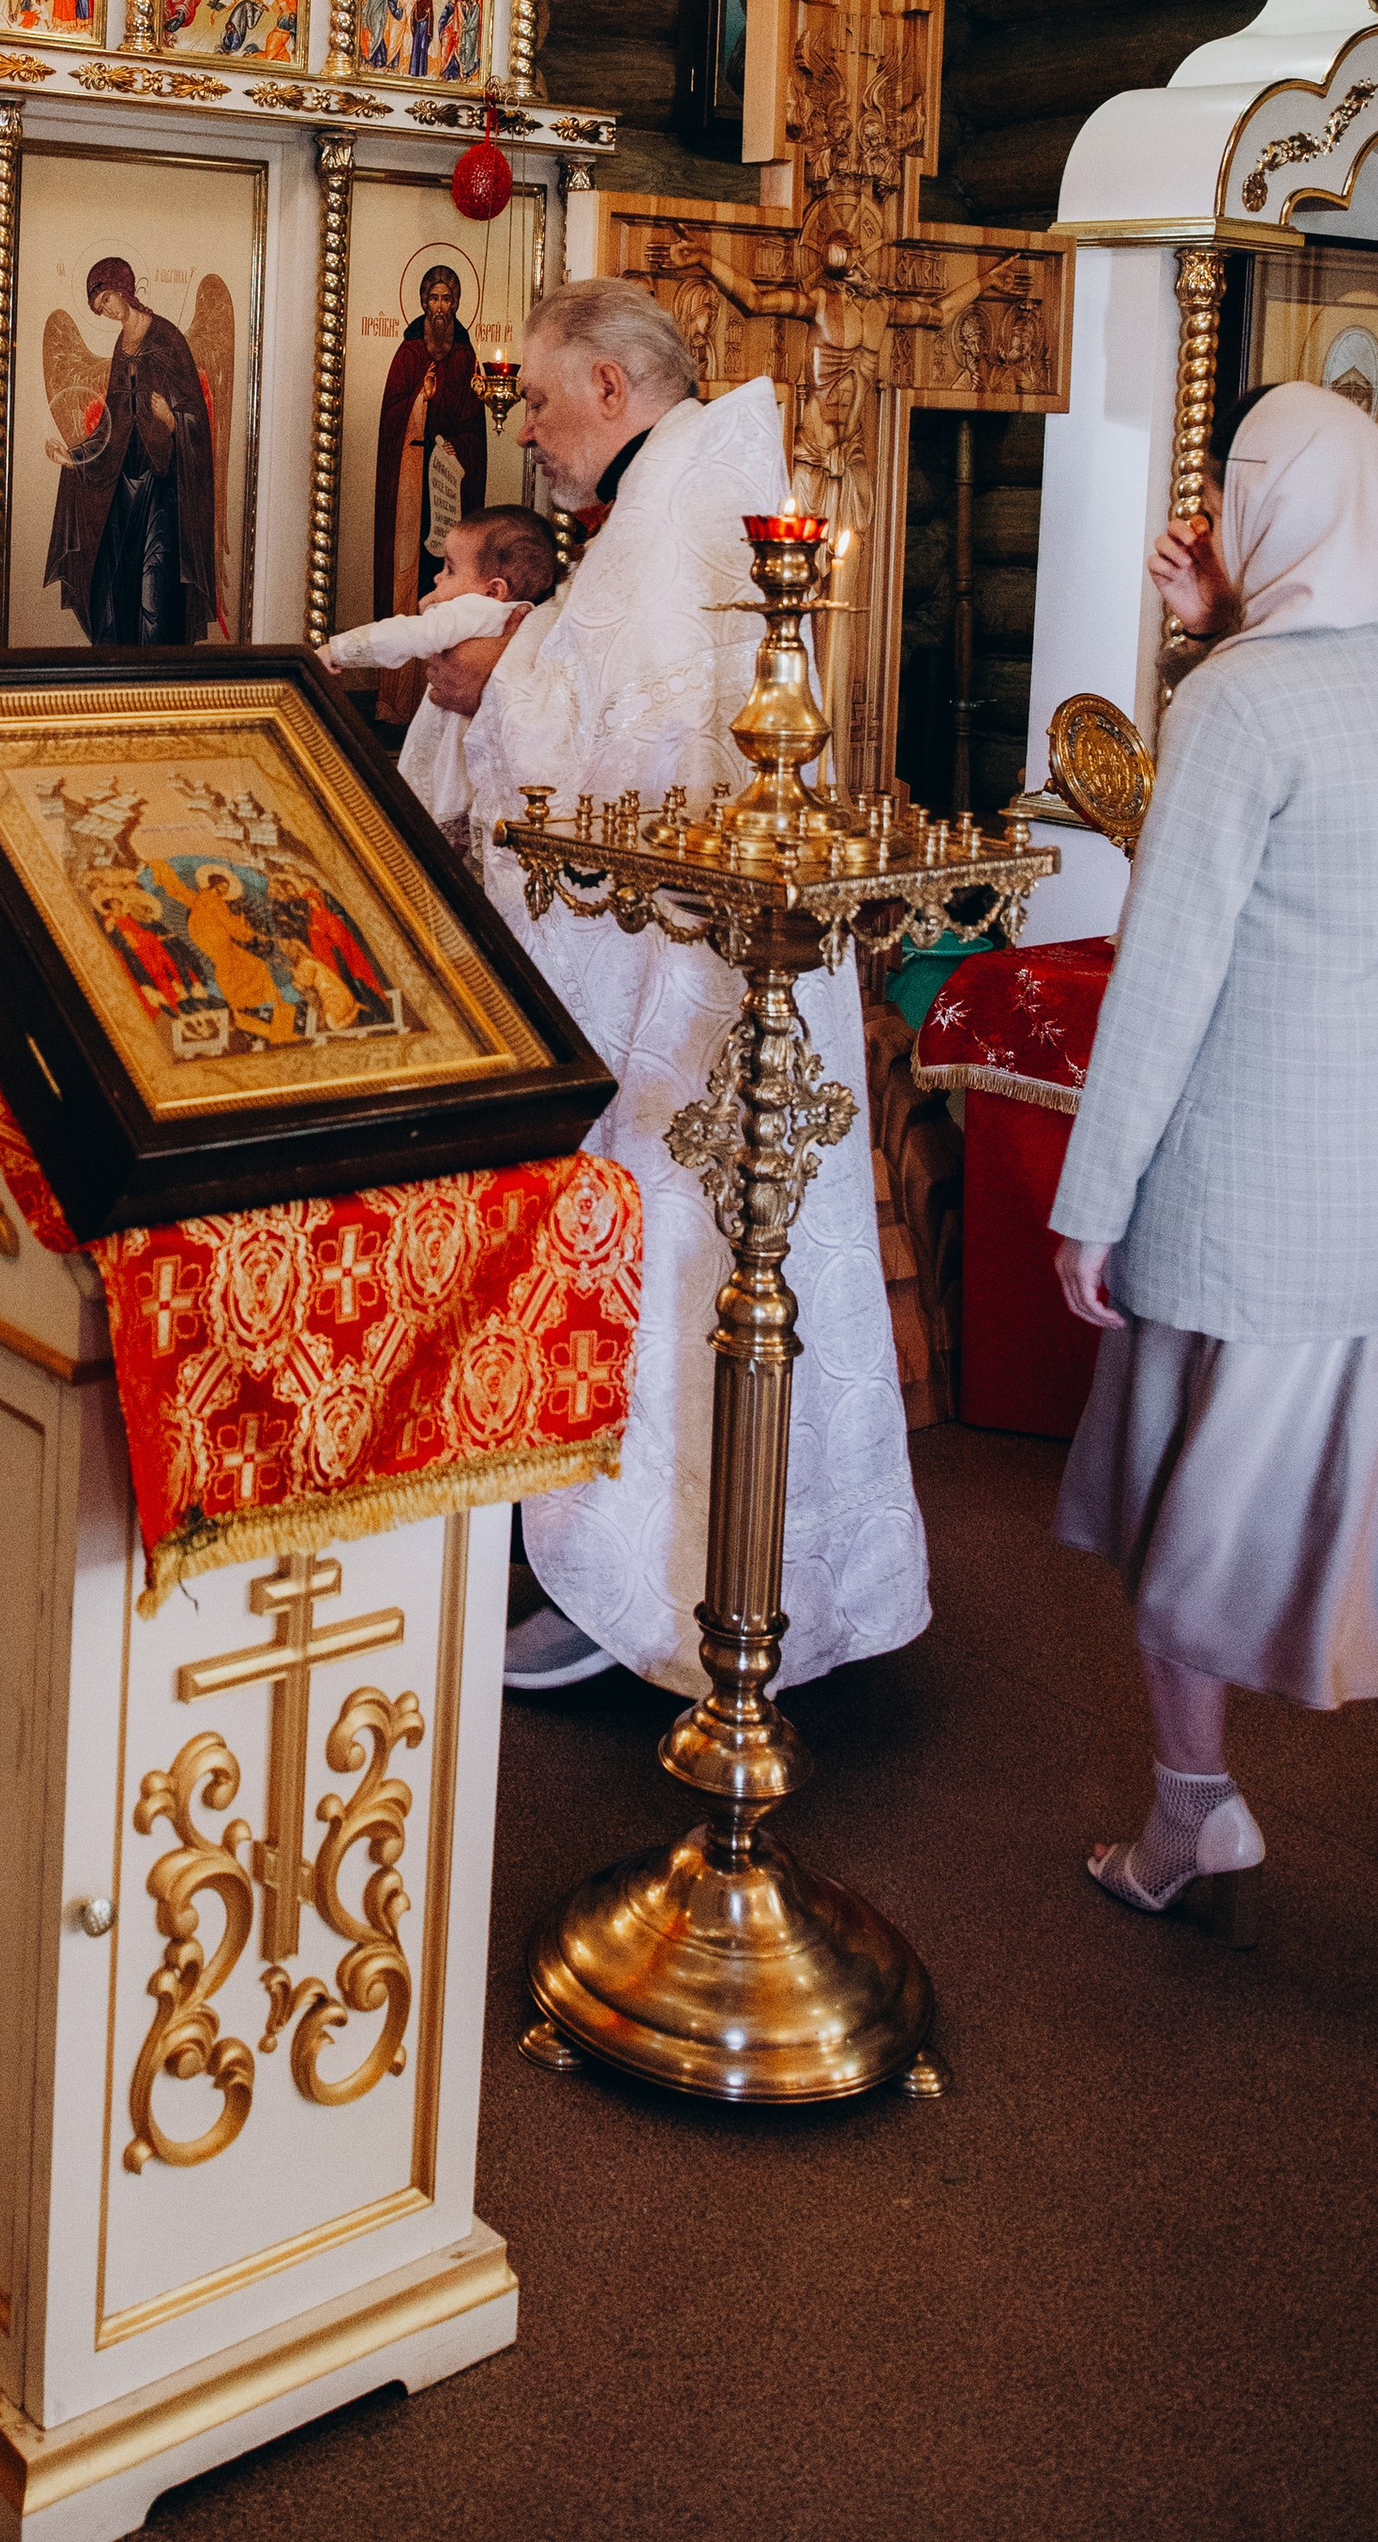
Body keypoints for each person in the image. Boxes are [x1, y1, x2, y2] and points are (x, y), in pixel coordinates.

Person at [1049, 382, 1378, 2012]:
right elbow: (1326, 750)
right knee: (1375, 1525)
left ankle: (1196, 1813)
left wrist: (1091, 1196)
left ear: (1266, 502)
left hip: (1245, 1179)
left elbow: (1169, 972)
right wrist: (1222, 626)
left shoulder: (1241, 703)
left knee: (1182, 1506)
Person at [449, 277, 926, 1696]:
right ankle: (686, 1579)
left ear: (610, 387)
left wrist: (491, 682)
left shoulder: (670, 532)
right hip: (720, 981)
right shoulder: (685, 503)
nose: (526, 430)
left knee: (673, 1272)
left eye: (541, 399)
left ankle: (643, 1596)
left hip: (681, 999)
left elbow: (626, 789)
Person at [320, 503, 559, 855]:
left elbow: (408, 634)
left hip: (451, 758)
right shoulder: (517, 615)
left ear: (493, 591)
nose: (438, 578)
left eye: (449, 569)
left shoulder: (478, 609)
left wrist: (339, 650)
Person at [45, 258, 216, 646]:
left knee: (154, 585)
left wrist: (172, 420)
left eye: (106, 299)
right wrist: (75, 456)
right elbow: (112, 420)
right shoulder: (121, 347)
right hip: (124, 479)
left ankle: (155, 671)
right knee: (112, 581)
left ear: (123, 290)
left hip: (162, 485)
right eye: (99, 307)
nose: (105, 310)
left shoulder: (168, 338)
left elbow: (196, 418)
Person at [373, 266, 488, 719]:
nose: (440, 308)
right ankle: (398, 698)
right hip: (409, 480)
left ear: (455, 304)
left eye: (447, 299)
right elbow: (391, 418)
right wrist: (420, 400)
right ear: (423, 303)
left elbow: (473, 427)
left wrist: (457, 445)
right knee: (407, 579)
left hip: (447, 487)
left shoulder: (464, 357)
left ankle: (441, 695)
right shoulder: (407, 354)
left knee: (442, 574)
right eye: (434, 299)